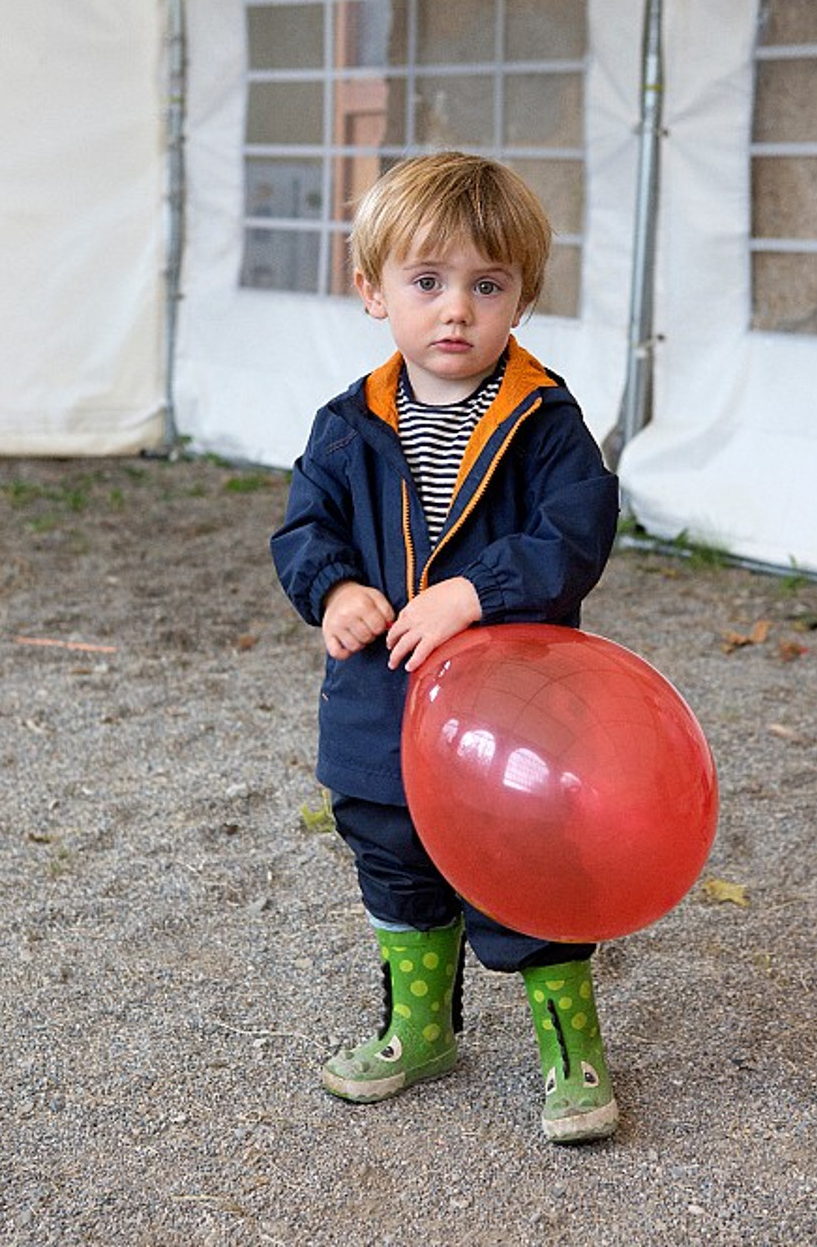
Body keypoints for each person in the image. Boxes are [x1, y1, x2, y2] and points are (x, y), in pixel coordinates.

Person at [271, 151, 620, 1144]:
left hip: (515, 711)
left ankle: (571, 1048)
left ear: (523, 296)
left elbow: (578, 531)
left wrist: (477, 590)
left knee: (529, 861)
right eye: (427, 283)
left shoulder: (544, 426)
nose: (456, 309)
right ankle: (420, 1028)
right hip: (380, 705)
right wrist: (333, 587)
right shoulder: (347, 425)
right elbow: (306, 527)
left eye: (486, 285)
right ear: (374, 293)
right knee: (394, 856)